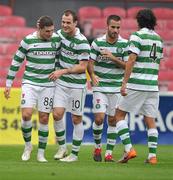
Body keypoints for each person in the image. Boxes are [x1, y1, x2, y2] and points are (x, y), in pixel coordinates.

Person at [4, 16, 61, 162]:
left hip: (48, 85)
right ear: (39, 29)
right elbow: (16, 61)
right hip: (30, 83)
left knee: (43, 118)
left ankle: (41, 153)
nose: (50, 34)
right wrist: (9, 84)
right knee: (26, 115)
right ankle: (28, 146)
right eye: (47, 31)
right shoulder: (28, 41)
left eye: (52, 31)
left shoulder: (56, 40)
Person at [114, 9, 163, 164]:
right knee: (150, 120)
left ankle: (129, 149)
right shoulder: (159, 39)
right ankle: (152, 156)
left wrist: (124, 83)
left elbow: (131, 60)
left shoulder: (137, 36)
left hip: (137, 83)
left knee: (119, 115)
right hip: (153, 85)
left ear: (139, 21)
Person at [49, 9, 90, 162]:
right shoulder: (59, 35)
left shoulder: (82, 42)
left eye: (68, 23)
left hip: (77, 86)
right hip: (61, 84)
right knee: (57, 114)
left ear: (75, 23)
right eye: (63, 22)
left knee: (76, 119)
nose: (65, 25)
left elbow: (82, 67)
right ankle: (62, 148)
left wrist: (63, 71)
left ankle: (74, 154)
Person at [87, 15, 128, 162]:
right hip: (100, 86)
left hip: (116, 87)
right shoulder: (98, 42)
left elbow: (127, 66)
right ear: (107, 27)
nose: (116, 30)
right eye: (113, 27)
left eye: (118, 27)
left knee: (112, 120)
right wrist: (92, 75)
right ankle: (97, 147)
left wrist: (113, 58)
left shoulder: (124, 44)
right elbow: (90, 62)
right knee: (99, 118)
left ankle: (109, 153)